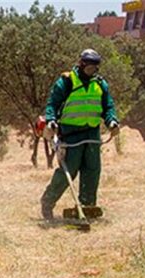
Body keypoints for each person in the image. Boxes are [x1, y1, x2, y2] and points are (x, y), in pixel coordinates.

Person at [40, 49, 120, 220]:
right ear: (81, 64)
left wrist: (112, 121)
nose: (92, 70)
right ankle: (47, 202)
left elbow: (108, 106)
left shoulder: (100, 84)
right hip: (71, 135)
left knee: (92, 172)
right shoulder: (67, 81)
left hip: (92, 134)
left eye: (95, 67)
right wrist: (51, 119)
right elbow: (52, 104)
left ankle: (87, 207)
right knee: (68, 172)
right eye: (89, 66)